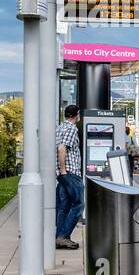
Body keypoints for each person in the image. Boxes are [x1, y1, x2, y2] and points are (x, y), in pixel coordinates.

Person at [54, 104, 84, 250]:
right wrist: (63, 170)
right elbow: (62, 148)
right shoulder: (71, 129)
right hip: (70, 173)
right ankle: (63, 236)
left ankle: (59, 237)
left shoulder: (60, 128)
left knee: (64, 205)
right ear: (76, 115)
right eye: (79, 114)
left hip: (62, 174)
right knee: (79, 204)